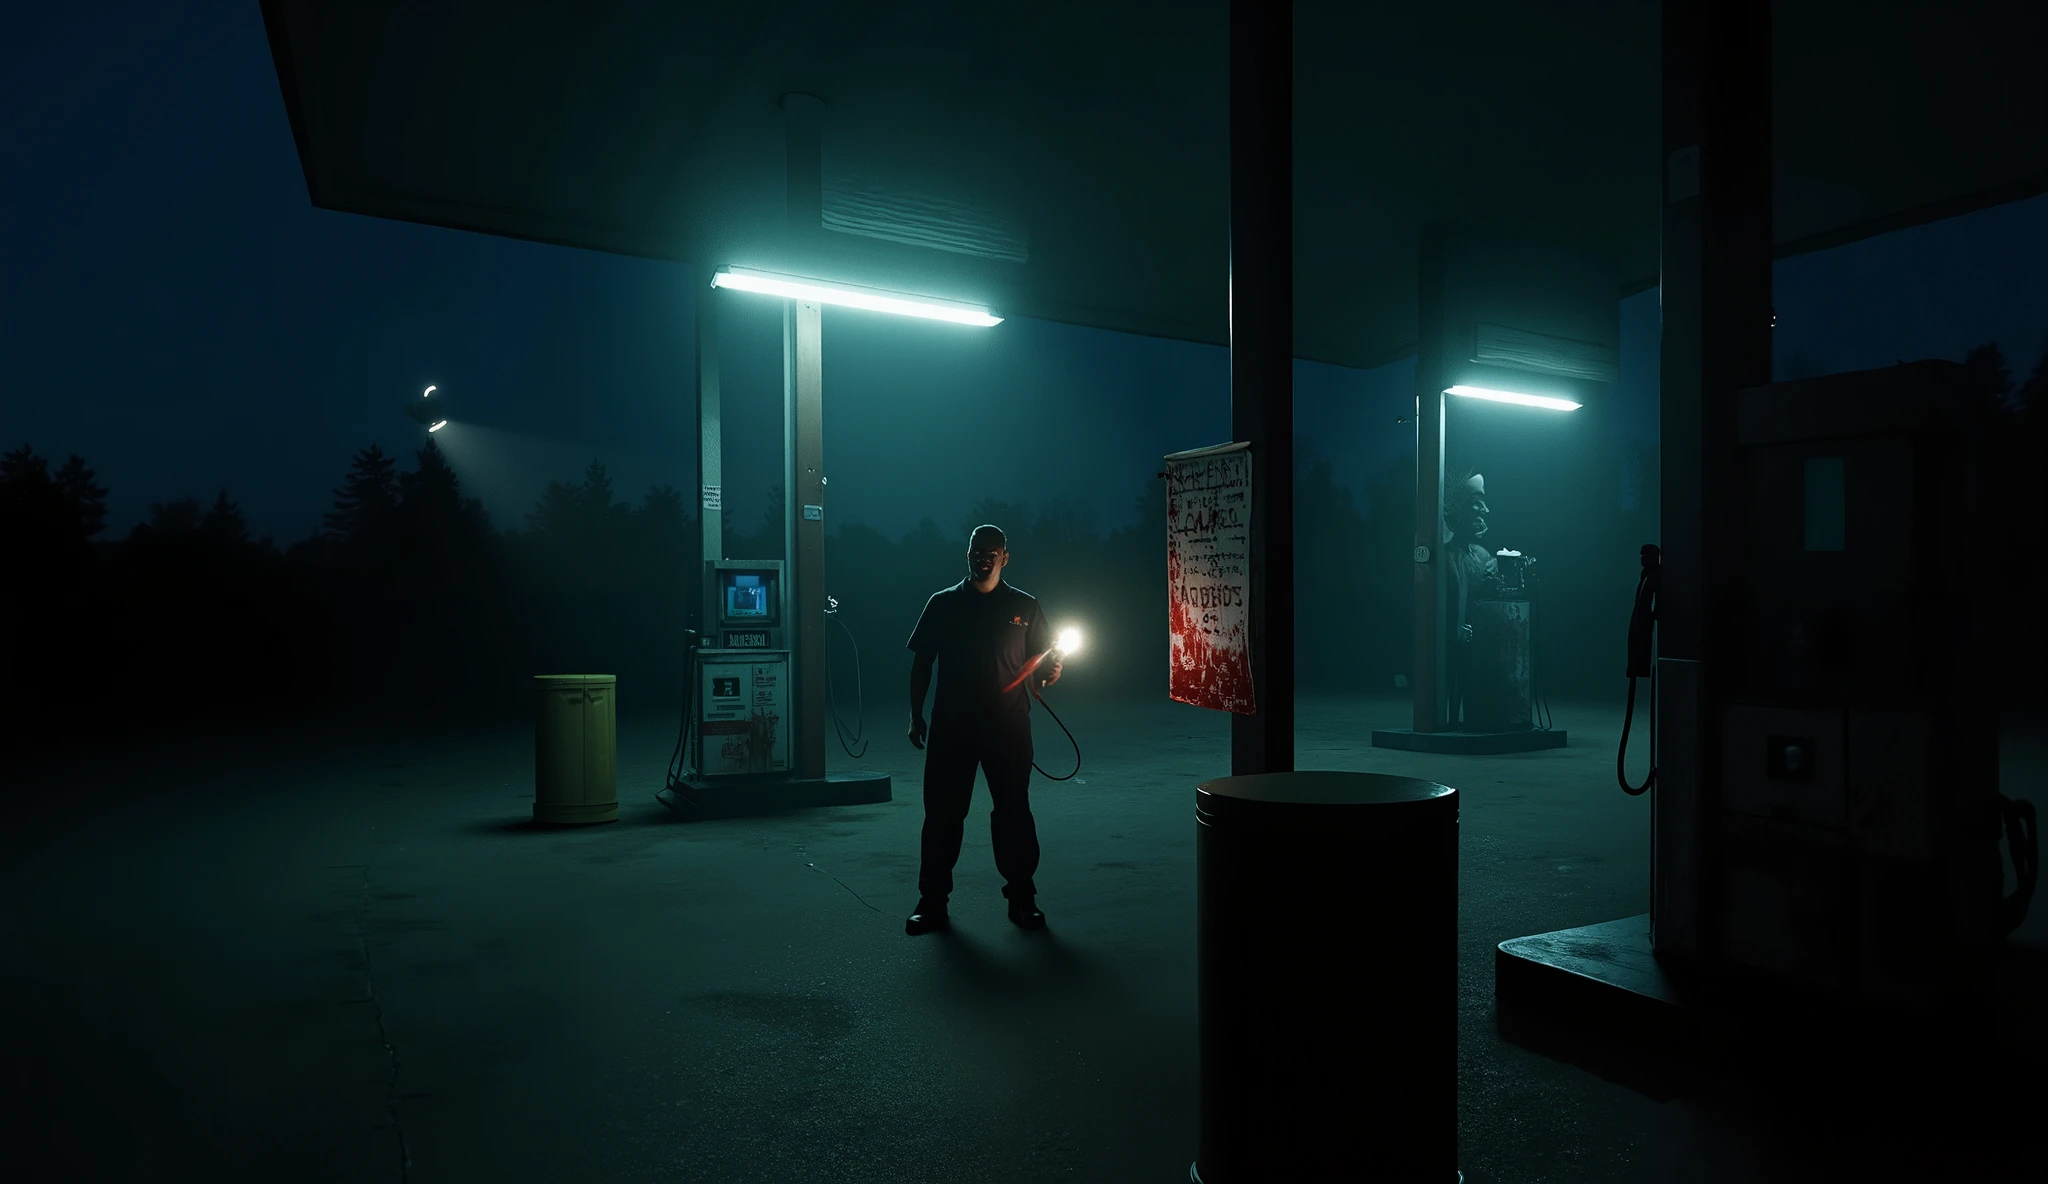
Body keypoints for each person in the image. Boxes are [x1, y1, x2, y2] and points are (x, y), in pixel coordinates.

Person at [904, 524, 1063, 936]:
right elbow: (922, 663)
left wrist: (1049, 674)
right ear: (967, 553)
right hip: (951, 730)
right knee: (942, 816)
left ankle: (1023, 900)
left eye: (993, 551)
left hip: (1008, 729)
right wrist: (915, 714)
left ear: (1005, 557)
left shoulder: (1026, 607)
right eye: (978, 549)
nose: (985, 557)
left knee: (1013, 813)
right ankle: (932, 902)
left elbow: (1040, 666)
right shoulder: (941, 604)